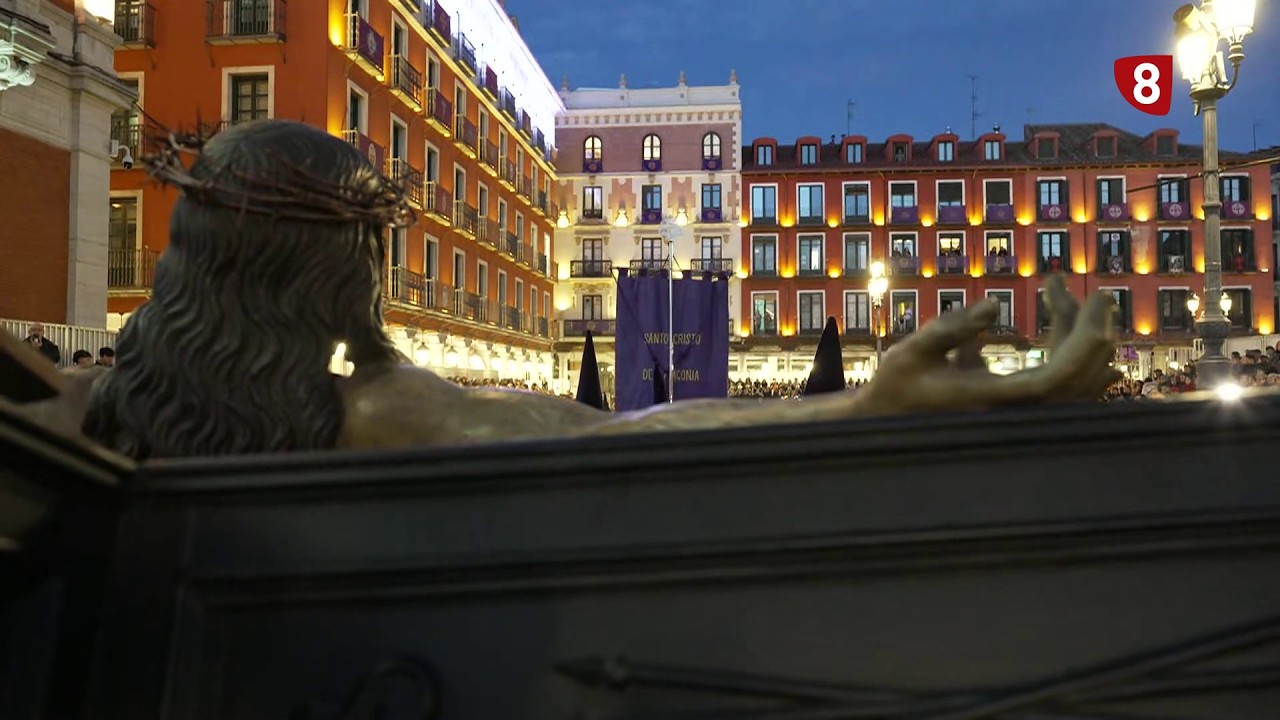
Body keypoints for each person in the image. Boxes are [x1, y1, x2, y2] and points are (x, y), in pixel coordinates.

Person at [17, 120, 1116, 459]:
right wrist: (862, 405)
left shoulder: (83, 405)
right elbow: (608, 437)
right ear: (342, 270)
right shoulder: (370, 410)